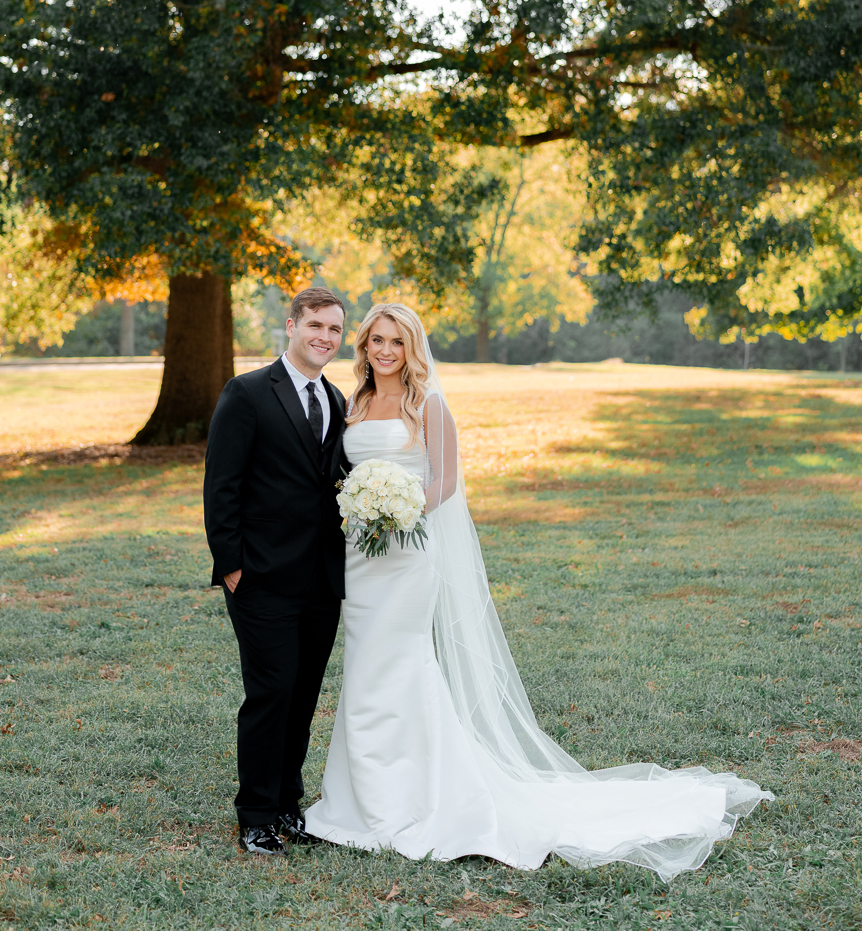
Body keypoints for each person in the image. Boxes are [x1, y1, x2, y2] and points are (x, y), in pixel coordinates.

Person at [304, 302, 773, 880]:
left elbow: (446, 481)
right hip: (361, 560)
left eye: (396, 342)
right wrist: (361, 508)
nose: (384, 351)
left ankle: (417, 802)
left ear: (412, 349)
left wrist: (397, 512)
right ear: (364, 346)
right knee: (363, 668)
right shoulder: (350, 404)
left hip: (407, 557)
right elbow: (341, 478)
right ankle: (360, 800)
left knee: (401, 666)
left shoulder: (429, 405)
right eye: (376, 340)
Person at [204, 286, 348, 855]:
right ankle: (256, 815)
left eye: (336, 329)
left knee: (305, 694)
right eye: (315, 325)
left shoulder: (336, 400)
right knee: (272, 692)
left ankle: (289, 806)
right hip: (261, 578)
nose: (325, 337)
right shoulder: (246, 393)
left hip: (321, 581)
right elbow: (222, 485)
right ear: (291, 326)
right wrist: (232, 566)